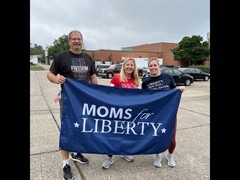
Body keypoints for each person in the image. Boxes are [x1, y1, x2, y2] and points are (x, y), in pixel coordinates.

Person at [47, 30, 98, 180]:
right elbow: (49, 74)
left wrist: (99, 93)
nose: (77, 41)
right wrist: (56, 79)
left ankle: (76, 153)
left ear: (82, 41)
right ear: (69, 41)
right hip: (69, 100)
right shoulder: (61, 57)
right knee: (68, 129)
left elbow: (93, 77)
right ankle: (65, 164)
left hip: (85, 101)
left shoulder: (88, 58)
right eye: (74, 39)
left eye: (79, 39)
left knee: (82, 127)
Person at [141, 57, 185, 168]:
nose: (153, 67)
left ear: (159, 66)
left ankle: (170, 155)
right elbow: (143, 99)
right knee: (156, 136)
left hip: (169, 114)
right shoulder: (145, 82)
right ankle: (158, 156)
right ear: (148, 68)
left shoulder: (167, 77)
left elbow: (173, 92)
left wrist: (179, 89)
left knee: (172, 139)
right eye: (151, 66)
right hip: (155, 115)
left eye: (155, 65)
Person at [101, 58, 140, 169]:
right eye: (127, 64)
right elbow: (109, 94)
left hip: (129, 113)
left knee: (126, 133)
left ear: (134, 67)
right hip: (116, 113)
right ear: (123, 66)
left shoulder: (135, 80)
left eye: (131, 65)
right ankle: (109, 157)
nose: (129, 67)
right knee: (112, 135)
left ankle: (124, 151)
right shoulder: (116, 78)